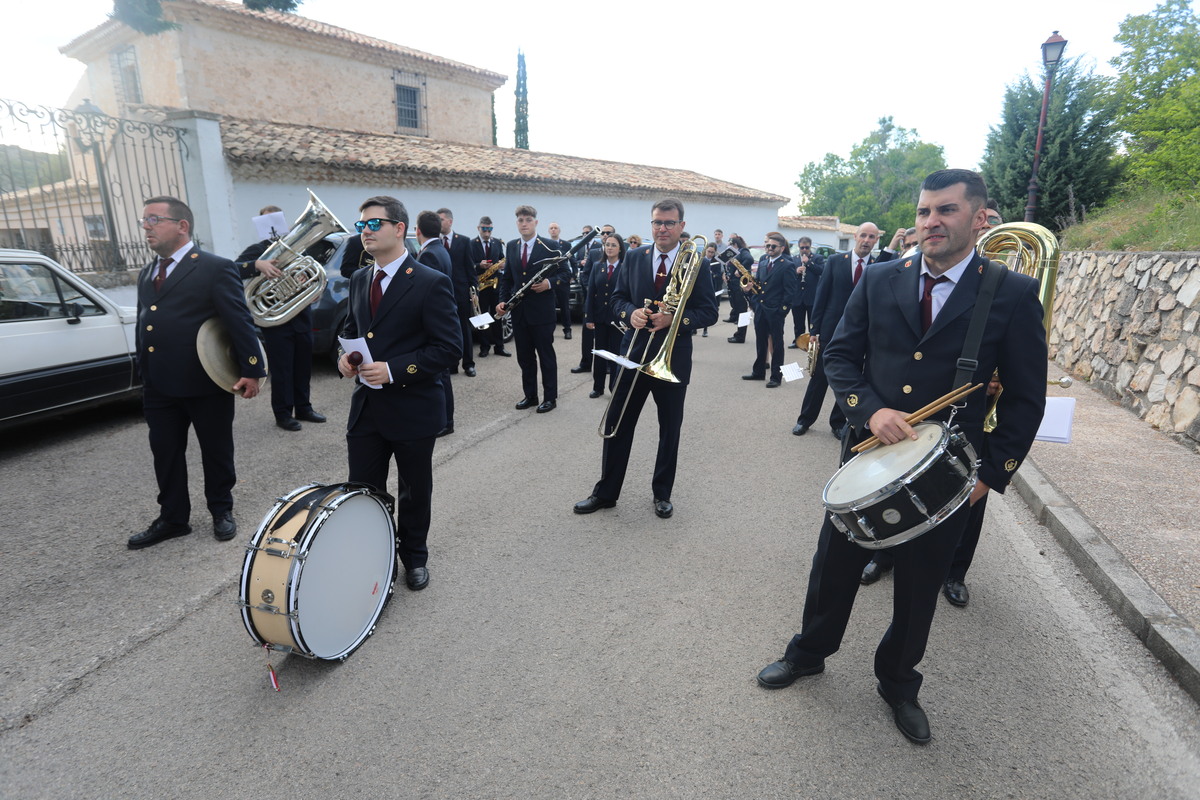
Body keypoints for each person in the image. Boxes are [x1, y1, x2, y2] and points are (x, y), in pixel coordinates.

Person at [756, 169, 1047, 745]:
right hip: (868, 456)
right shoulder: (882, 277)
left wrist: (993, 475)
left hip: (950, 474)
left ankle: (897, 682)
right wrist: (868, 411)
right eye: (923, 212)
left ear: (979, 218)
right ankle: (809, 652)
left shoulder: (1010, 292)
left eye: (945, 211)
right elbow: (839, 355)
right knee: (834, 564)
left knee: (918, 586)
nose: (931, 222)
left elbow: (1026, 396)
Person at [338, 196, 461, 591]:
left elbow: (448, 349)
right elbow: (351, 329)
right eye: (362, 226)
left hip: (413, 407)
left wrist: (393, 370)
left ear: (400, 229)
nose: (366, 232)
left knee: (413, 489)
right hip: (367, 409)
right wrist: (345, 360)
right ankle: (376, 556)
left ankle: (414, 556)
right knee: (363, 490)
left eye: (374, 224)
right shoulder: (360, 279)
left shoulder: (429, 281)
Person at [128, 196, 266, 549]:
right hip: (159, 385)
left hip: (205, 380)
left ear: (182, 226)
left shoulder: (214, 267)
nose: (146, 227)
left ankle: (222, 510)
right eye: (144, 221)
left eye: (154, 220)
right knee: (165, 452)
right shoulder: (148, 272)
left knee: (216, 450)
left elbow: (239, 321)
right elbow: (147, 321)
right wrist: (142, 370)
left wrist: (253, 369)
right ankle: (173, 518)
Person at [573, 198, 719, 520]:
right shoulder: (636, 257)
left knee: (669, 430)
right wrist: (631, 313)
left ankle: (662, 494)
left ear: (681, 226)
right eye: (656, 222)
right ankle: (605, 493)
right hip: (634, 353)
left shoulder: (697, 261)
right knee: (617, 425)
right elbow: (617, 299)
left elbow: (709, 312)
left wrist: (675, 320)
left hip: (672, 357)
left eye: (669, 223)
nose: (662, 228)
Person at [235, 204, 326, 432]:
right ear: (261, 225)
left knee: (303, 367)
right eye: (268, 221)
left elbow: (311, 275)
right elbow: (231, 269)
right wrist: (257, 265)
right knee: (283, 370)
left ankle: (304, 408)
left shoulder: (297, 250)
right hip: (276, 322)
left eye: (278, 220)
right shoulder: (257, 251)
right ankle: (283, 414)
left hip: (301, 318)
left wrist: (313, 289)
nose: (274, 225)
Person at [792, 222, 881, 438]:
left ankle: (837, 423)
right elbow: (821, 296)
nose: (867, 240)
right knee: (819, 378)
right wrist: (814, 330)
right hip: (831, 332)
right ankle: (805, 420)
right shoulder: (834, 261)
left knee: (850, 380)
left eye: (872, 237)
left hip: (861, 335)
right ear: (855, 236)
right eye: (864, 236)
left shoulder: (878, 267)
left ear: (876, 241)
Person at [498, 205, 569, 413]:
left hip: (541, 313)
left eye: (528, 220)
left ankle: (550, 397)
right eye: (520, 220)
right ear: (517, 223)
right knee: (525, 358)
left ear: (536, 222)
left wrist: (548, 284)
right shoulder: (511, 246)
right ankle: (530, 395)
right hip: (520, 313)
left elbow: (565, 274)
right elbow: (508, 279)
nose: (524, 224)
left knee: (546, 357)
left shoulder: (549, 245)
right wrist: (503, 301)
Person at [416, 211, 457, 438]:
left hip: (433, 322)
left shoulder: (429, 254)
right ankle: (446, 420)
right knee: (443, 376)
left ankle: (445, 421)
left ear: (418, 230)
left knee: (440, 377)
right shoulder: (440, 250)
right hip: (441, 319)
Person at [743, 232, 798, 388]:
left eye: (773, 246)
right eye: (767, 245)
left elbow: (790, 292)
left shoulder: (787, 265)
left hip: (775, 311)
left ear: (781, 247)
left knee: (777, 345)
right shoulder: (763, 262)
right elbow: (760, 284)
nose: (769, 248)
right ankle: (758, 372)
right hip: (760, 309)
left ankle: (776, 377)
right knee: (761, 342)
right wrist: (750, 292)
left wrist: (782, 311)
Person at [436, 208, 477, 377]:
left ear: (450, 221)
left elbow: (470, 268)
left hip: (461, 292)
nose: (438, 223)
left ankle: (468, 364)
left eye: (441, 219)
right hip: (441, 293)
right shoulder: (434, 242)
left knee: (464, 329)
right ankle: (452, 364)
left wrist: (475, 291)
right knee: (446, 330)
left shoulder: (464, 241)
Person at [585, 232, 626, 397]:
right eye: (607, 244)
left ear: (620, 248)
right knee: (600, 353)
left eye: (613, 245)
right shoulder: (597, 266)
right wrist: (589, 317)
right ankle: (598, 387)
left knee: (616, 355)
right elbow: (591, 292)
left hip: (617, 319)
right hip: (600, 318)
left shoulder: (625, 267)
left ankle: (614, 387)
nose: (609, 248)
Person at [573, 224, 616, 373]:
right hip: (592, 301)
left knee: (609, 336)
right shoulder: (594, 253)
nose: (604, 235)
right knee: (587, 334)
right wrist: (590, 289)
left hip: (610, 303)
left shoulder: (619, 254)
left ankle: (609, 365)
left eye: (608, 232)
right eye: (603, 233)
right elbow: (585, 274)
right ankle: (585, 363)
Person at [470, 215, 509, 358]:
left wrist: (502, 264)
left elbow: (501, 258)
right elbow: (468, 265)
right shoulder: (471, 244)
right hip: (481, 285)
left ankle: (499, 346)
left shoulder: (497, 243)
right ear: (478, 228)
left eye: (490, 229)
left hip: (495, 285)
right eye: (484, 229)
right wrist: (479, 265)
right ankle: (484, 347)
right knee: (483, 317)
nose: (487, 233)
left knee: (498, 315)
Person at [788, 236, 825, 347]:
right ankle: (798, 342)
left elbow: (821, 271)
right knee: (798, 322)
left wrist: (808, 262)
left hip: (812, 296)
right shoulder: (793, 259)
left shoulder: (817, 258)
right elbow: (788, 276)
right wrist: (796, 271)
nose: (804, 250)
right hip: (797, 296)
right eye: (802, 248)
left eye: (807, 248)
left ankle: (812, 342)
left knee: (812, 322)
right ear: (798, 247)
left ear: (810, 247)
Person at [546, 222, 574, 342]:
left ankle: (567, 329)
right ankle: (550, 330)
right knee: (550, 306)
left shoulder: (566, 244)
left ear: (559, 230)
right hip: (550, 279)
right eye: (551, 228)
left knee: (564, 306)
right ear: (549, 231)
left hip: (563, 279)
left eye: (555, 228)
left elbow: (572, 260)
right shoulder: (545, 244)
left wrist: (574, 275)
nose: (553, 230)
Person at [725, 234, 753, 341]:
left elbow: (749, 259)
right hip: (734, 285)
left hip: (740, 286)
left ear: (735, 245)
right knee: (739, 310)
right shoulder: (736, 253)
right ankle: (739, 334)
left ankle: (740, 336)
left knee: (742, 311)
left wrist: (740, 270)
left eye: (730, 245)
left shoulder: (743, 251)